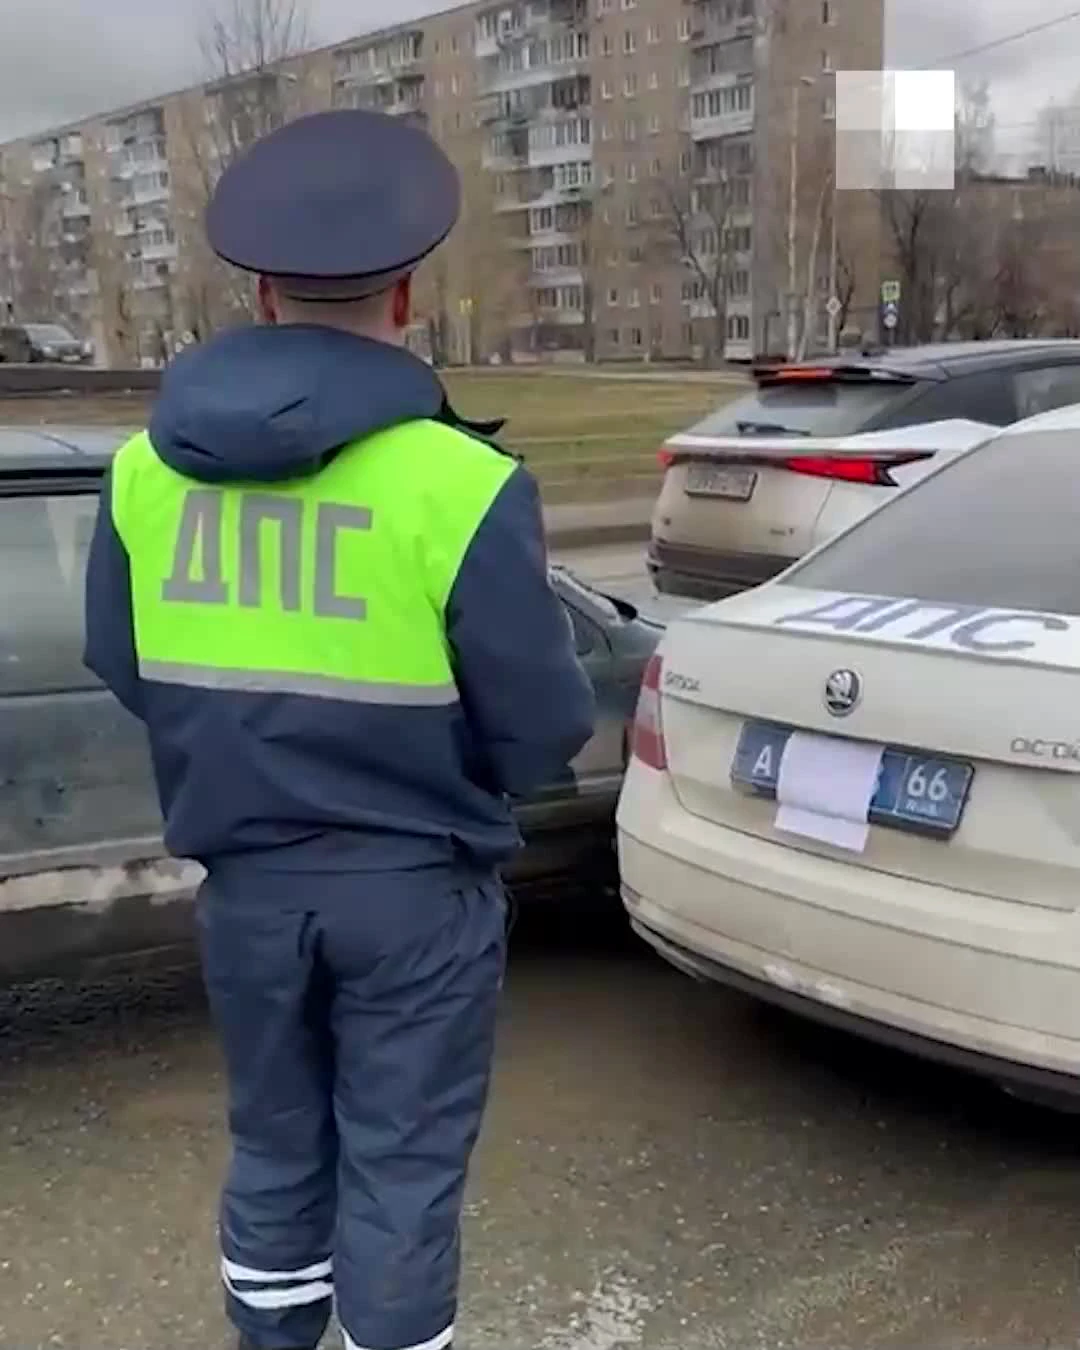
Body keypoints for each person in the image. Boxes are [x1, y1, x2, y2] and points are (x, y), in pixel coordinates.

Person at [83, 109, 596, 1350]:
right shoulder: (458, 483)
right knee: (400, 1171)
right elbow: (541, 730)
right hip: (413, 894)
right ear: (408, 298)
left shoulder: (143, 472)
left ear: (260, 294)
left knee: (273, 1148)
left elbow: (122, 658)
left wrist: (249, 747)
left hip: (248, 887)